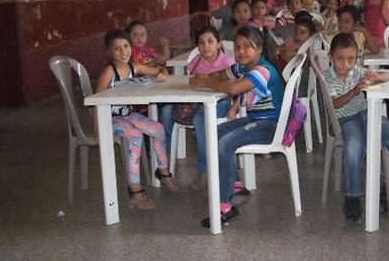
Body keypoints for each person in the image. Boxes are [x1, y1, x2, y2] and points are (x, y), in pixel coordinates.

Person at [191, 26, 285, 227]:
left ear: (259, 49)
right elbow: (223, 75)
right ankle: (235, 185)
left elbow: (233, 88)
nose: (241, 51)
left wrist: (205, 81)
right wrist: (205, 76)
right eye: (238, 47)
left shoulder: (262, 70)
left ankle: (224, 206)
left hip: (270, 125)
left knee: (225, 143)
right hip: (256, 120)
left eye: (247, 47)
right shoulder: (244, 67)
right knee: (214, 134)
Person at [323, 33, 389, 224]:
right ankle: (353, 197)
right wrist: (354, 91)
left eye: (351, 59)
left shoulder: (357, 71)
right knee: (353, 148)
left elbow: (388, 75)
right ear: (330, 57)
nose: (346, 64)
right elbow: (335, 104)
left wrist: (374, 76)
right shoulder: (329, 78)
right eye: (340, 59)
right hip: (346, 120)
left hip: (367, 115)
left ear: (357, 58)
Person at [95, 29, 178, 210]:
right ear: (109, 52)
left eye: (126, 46)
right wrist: (97, 129)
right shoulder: (109, 72)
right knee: (135, 136)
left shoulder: (134, 67)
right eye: (117, 49)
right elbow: (96, 103)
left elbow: (158, 70)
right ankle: (135, 188)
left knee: (158, 129)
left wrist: (162, 73)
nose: (123, 52)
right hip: (110, 118)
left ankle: (162, 171)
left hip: (128, 114)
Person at [164, 27, 236, 191]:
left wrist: (206, 83)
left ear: (218, 44)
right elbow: (190, 82)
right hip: (196, 102)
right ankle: (165, 157)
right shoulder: (196, 61)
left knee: (200, 119)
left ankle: (205, 170)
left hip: (221, 103)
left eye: (210, 41)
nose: (206, 46)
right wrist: (193, 83)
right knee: (166, 109)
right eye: (201, 43)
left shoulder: (227, 63)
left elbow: (231, 88)